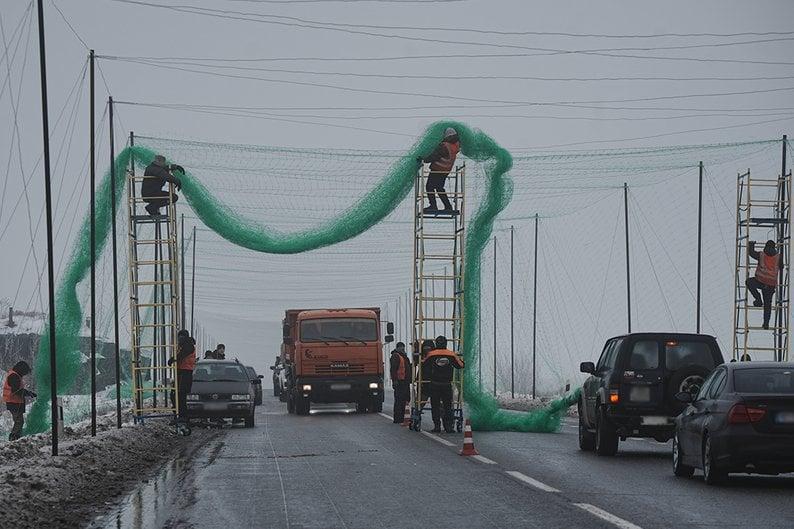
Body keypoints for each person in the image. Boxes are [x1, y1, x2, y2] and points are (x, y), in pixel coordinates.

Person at [422, 335, 464, 433]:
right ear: (446, 343)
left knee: (435, 406)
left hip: (434, 384)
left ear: (436, 343)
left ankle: (437, 426)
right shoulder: (451, 354)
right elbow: (461, 365)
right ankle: (448, 427)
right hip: (446, 384)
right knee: (447, 406)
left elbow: (424, 364)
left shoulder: (431, 354)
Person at [419, 127, 460, 214]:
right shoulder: (456, 146)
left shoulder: (444, 146)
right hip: (446, 171)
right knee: (439, 188)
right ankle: (448, 206)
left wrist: (423, 159)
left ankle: (433, 206)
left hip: (437, 169)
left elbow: (434, 156)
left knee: (429, 187)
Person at [746, 239, 781, 330]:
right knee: (767, 305)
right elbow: (782, 266)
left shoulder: (761, 255)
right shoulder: (778, 257)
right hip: (770, 285)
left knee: (749, 282)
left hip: (760, 281)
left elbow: (751, 253)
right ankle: (766, 323)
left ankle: (758, 300)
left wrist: (751, 244)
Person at [3, 361, 36, 441]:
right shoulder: (14, 376)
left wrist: (29, 393)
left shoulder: (15, 374)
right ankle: (13, 438)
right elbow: (16, 391)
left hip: (14, 402)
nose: (25, 374)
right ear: (22, 369)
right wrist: (28, 393)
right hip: (14, 403)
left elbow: (18, 389)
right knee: (19, 422)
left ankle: (16, 437)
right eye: (25, 372)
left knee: (19, 421)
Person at [168, 329, 196, 422]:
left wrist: (172, 359)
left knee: (180, 395)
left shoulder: (189, 345)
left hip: (185, 373)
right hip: (181, 372)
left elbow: (182, 355)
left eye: (182, 336)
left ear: (186, 337)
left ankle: (182, 416)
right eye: (179, 336)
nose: (180, 338)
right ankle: (179, 415)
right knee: (175, 394)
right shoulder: (183, 345)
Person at [389, 342, 411, 424]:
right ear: (397, 348)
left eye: (403, 347)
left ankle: (403, 417)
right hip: (400, 381)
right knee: (399, 400)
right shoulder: (396, 356)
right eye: (401, 347)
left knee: (405, 399)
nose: (403, 349)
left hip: (404, 381)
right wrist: (395, 381)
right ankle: (398, 418)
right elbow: (393, 369)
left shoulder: (403, 356)